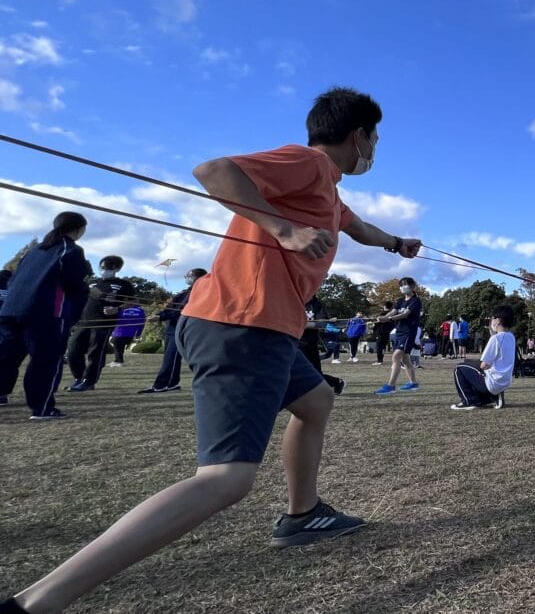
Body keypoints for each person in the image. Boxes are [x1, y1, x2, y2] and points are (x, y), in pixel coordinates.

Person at [0, 87, 426, 614]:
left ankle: (302, 512)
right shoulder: (309, 162)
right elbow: (213, 170)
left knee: (316, 402)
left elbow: (356, 227)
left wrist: (396, 245)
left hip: (262, 326)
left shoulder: (328, 190)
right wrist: (284, 228)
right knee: (226, 479)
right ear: (358, 135)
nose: (375, 148)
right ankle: (32, 603)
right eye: (375, 138)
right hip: (243, 324)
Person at [0, 212, 90, 418]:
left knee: (6, 356)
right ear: (79, 229)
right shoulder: (71, 250)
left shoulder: (34, 251)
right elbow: (73, 284)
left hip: (10, 310)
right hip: (45, 313)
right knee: (46, 360)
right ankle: (42, 407)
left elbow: (15, 279)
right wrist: (76, 307)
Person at [64, 255, 136, 391]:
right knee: (72, 351)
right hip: (84, 322)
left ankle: (88, 381)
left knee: (95, 353)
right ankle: (78, 378)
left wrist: (117, 308)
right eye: (102, 267)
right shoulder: (91, 282)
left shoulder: (124, 284)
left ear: (117, 268)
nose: (104, 270)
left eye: (108, 267)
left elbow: (132, 302)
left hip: (104, 323)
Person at [140, 268, 207, 394]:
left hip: (181, 328)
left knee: (171, 357)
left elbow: (182, 312)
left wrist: (161, 317)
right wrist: (159, 315)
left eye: (190, 275)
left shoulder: (198, 294)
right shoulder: (183, 293)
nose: (187, 277)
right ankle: (172, 383)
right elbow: (170, 308)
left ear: (199, 278)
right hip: (171, 327)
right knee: (169, 357)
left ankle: (161, 385)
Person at [450, 305, 516, 411]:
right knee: (472, 366)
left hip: (493, 382)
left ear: (498, 321)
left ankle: (468, 401)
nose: (491, 321)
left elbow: (484, 365)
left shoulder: (495, 339)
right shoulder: (511, 337)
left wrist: (480, 368)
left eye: (492, 318)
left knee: (459, 368)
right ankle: (492, 397)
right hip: (504, 382)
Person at [374, 277, 422, 394]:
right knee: (405, 359)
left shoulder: (416, 301)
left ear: (412, 286)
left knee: (396, 356)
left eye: (404, 284)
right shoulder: (400, 301)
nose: (402, 287)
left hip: (408, 332)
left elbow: (405, 314)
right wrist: (384, 317)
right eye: (401, 285)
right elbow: (393, 311)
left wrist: (388, 319)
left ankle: (391, 386)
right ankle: (413, 383)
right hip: (399, 332)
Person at [106, 302, 147, 368]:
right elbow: (142, 322)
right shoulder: (140, 311)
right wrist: (139, 333)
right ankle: (117, 360)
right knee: (120, 346)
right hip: (131, 333)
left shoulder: (122, 309)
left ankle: (119, 361)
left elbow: (115, 318)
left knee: (115, 343)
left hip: (119, 331)